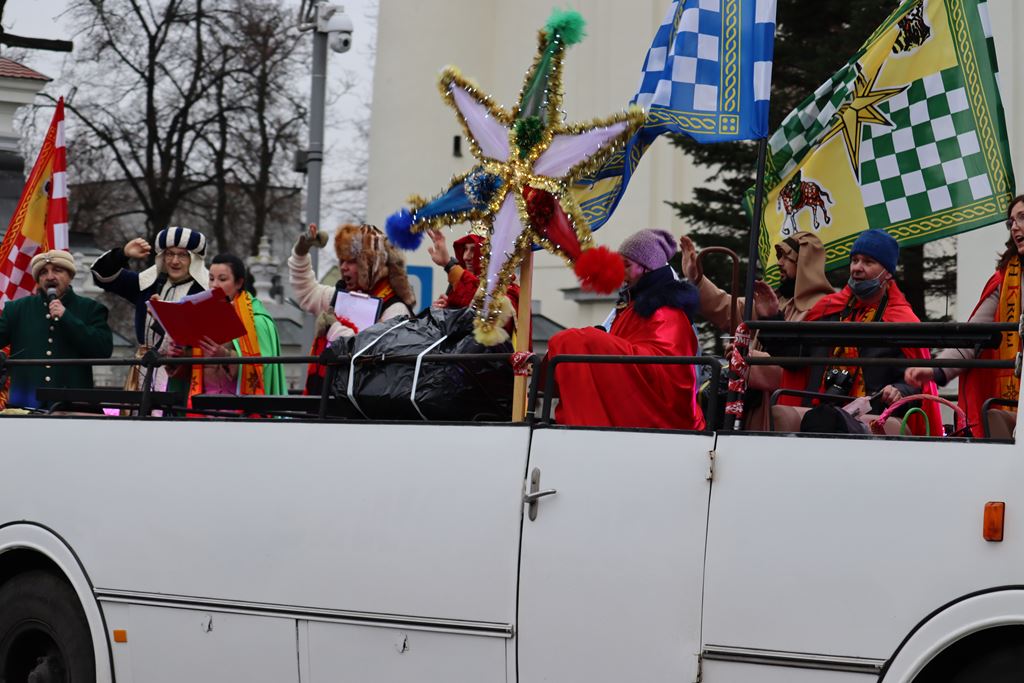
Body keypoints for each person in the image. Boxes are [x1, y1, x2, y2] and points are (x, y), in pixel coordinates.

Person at [775, 229, 943, 435]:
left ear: (888, 272)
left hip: (870, 422)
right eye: (854, 260)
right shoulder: (828, 309)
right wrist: (771, 316)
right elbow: (794, 358)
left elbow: (916, 383)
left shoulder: (902, 321)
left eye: (868, 262)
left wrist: (898, 391)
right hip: (817, 415)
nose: (857, 268)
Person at [546, 229, 704, 430]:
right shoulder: (633, 305)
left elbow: (665, 372)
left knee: (578, 340)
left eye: (627, 265)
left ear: (647, 268)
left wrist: (595, 343)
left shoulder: (666, 310)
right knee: (578, 341)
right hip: (638, 405)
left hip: (664, 414)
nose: (621, 273)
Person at [679, 231, 833, 429]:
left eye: (786, 258)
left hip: (787, 415)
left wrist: (748, 358)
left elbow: (801, 370)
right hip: (755, 410)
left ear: (805, 263)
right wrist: (697, 280)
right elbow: (727, 308)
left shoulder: (823, 309)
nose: (779, 263)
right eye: (779, 257)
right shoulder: (775, 300)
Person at [906, 195, 1024, 437]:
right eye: (1011, 221)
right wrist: (935, 370)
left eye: (1022, 218)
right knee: (993, 418)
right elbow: (973, 337)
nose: (1014, 227)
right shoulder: (1004, 281)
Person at [289, 223, 416, 393]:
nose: (343, 267)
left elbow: (377, 362)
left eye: (351, 261)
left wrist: (335, 330)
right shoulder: (341, 296)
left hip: (362, 407)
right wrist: (301, 250)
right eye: (342, 260)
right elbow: (306, 292)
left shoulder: (396, 310)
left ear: (371, 263)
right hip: (328, 401)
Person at [91, 227, 208, 393]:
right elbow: (101, 276)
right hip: (143, 369)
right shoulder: (148, 284)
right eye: (169, 254)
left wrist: (162, 316)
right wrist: (123, 254)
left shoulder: (203, 294)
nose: (174, 261)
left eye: (182, 255)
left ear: (194, 259)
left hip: (181, 374)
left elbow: (197, 341)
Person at [0, 250, 113, 409]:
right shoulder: (16, 309)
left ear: (70, 276)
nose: (50, 277)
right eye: (43, 273)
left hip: (73, 406)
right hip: (25, 405)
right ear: (38, 280)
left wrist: (67, 317)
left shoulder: (90, 309)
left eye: (57, 270)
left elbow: (103, 350)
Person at [169, 253, 286, 397]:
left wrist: (225, 355)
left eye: (222, 279)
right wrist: (182, 355)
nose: (214, 285)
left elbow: (263, 366)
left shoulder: (257, 320)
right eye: (211, 279)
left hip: (236, 403)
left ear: (239, 283)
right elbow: (196, 363)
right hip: (201, 400)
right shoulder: (201, 313)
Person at [426, 228, 521, 312]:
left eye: (474, 250)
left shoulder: (510, 291)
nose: (465, 257)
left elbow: (484, 306)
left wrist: (449, 265)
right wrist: (448, 308)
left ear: (491, 256)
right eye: (465, 249)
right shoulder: (458, 289)